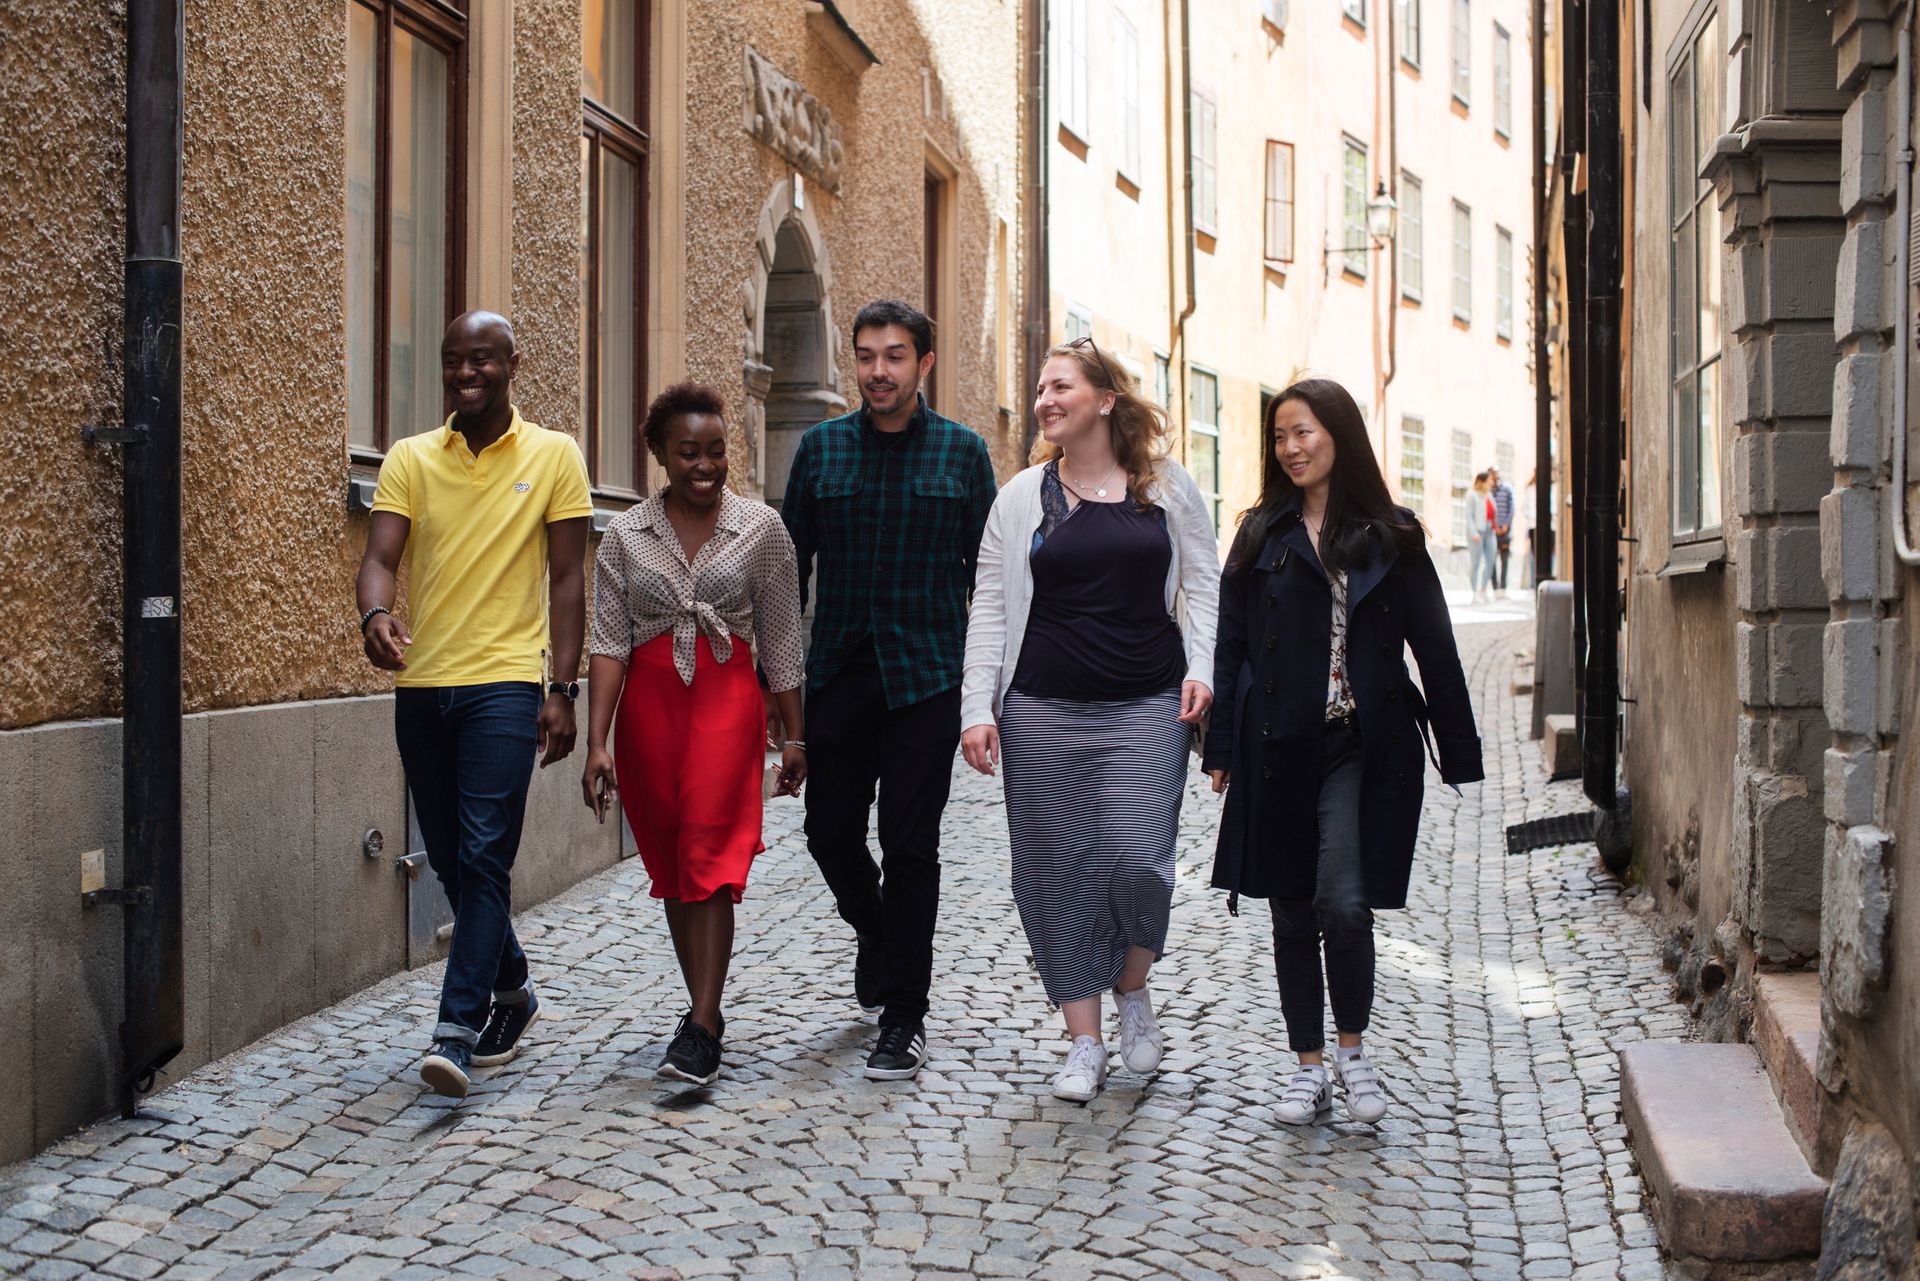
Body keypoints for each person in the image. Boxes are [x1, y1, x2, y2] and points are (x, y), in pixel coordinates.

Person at [1204, 378, 1482, 1126]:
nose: (1291, 448)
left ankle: (1352, 1054)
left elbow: (1436, 645)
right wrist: (1220, 745)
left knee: (1345, 901)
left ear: (1339, 434)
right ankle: (1307, 1067)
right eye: (1280, 436)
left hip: (1360, 743)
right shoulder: (1261, 533)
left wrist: (1458, 749)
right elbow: (1229, 647)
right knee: (1291, 908)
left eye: (1305, 433)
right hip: (1275, 746)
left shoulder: (1392, 533)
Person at [960, 338, 1218, 1103]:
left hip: (1147, 705)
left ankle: (1132, 988)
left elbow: (1202, 586)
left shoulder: (1166, 488)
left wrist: (1201, 667)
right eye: (1039, 387)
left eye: (1060, 386)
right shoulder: (1020, 497)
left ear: (1105, 399)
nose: (1044, 399)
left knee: (1142, 863)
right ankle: (1084, 1040)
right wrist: (978, 707)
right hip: (1042, 709)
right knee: (1056, 872)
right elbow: (990, 611)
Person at [356, 311, 593, 1099]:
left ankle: (455, 1030)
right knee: (456, 859)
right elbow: (380, 557)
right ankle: (515, 988)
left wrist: (562, 690)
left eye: (482, 359)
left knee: (486, 853)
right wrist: (375, 615)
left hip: (505, 682)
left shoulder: (555, 455)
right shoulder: (411, 458)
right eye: (455, 359)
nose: (467, 372)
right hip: (424, 685)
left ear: (511, 365)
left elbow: (566, 580)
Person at [780, 300, 998, 1081]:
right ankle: (876, 932)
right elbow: (785, 575)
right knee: (829, 834)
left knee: (912, 849)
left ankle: (904, 1014)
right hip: (838, 672)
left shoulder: (964, 456)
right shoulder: (821, 450)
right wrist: (784, 699)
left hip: (928, 679)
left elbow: (993, 582)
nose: (878, 370)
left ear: (923, 364)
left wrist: (986, 692)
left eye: (895, 355)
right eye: (867, 355)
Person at [580, 383, 807, 1087]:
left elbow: (782, 640)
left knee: (708, 852)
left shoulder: (762, 528)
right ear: (658, 455)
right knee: (675, 865)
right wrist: (598, 742)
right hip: (649, 709)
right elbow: (610, 644)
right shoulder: (624, 535)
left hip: (725, 700)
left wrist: (796, 736)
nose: (705, 466)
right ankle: (700, 1011)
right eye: (688, 453)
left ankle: (703, 1024)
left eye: (716, 451)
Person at [1467, 471, 1496, 604]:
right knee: (1476, 562)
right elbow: (1469, 516)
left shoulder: (1489, 495)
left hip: (1490, 531)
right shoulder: (1472, 496)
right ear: (1481, 482)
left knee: (1490, 560)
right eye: (1489, 480)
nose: (1491, 483)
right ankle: (1474, 593)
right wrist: (1474, 532)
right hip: (1477, 531)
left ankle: (1483, 590)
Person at [1489, 465, 1516, 594]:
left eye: (1496, 473)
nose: (1495, 476)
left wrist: (1506, 525)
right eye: (1492, 473)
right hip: (1492, 531)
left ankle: (1503, 587)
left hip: (1505, 531)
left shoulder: (1507, 489)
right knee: (1491, 559)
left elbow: (1512, 508)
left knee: (1504, 559)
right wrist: (1494, 527)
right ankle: (1494, 586)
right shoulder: (1488, 491)